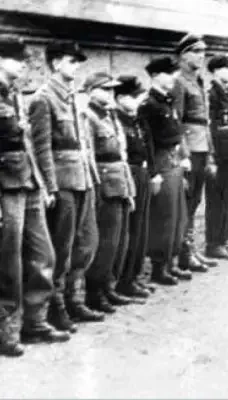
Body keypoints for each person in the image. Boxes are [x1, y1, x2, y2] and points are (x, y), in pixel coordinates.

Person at [0, 35, 69, 357]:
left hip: (27, 183)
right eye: (16, 59)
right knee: (8, 263)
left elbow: (27, 143)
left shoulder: (14, 95)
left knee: (44, 255)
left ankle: (35, 321)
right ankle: (7, 331)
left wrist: (41, 184)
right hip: (5, 187)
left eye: (24, 60)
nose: (23, 66)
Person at [29, 41, 104, 327]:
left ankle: (75, 299)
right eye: (72, 61)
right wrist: (50, 187)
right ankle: (56, 305)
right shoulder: (43, 98)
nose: (76, 67)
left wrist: (92, 178)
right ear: (56, 63)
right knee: (62, 247)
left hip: (82, 179)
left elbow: (84, 143)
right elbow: (42, 148)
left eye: (78, 62)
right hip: (62, 182)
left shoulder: (74, 97)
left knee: (85, 244)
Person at [81, 72, 140, 313]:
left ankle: (108, 286)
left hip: (120, 184)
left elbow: (121, 156)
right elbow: (89, 157)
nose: (110, 93)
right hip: (105, 187)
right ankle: (94, 292)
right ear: (90, 91)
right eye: (104, 89)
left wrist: (129, 190)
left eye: (112, 89)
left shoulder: (111, 116)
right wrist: (95, 190)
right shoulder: (88, 117)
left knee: (118, 242)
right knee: (105, 243)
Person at [138, 56, 192, 285]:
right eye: (168, 73)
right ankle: (159, 267)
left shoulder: (167, 101)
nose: (173, 78)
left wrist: (183, 156)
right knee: (164, 217)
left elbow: (176, 133)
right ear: (155, 76)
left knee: (178, 215)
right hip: (161, 162)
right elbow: (148, 142)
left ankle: (171, 261)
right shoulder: (148, 105)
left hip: (173, 161)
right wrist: (153, 172)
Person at [171, 33, 217, 272]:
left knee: (196, 199)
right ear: (183, 55)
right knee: (187, 202)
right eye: (196, 51)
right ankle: (183, 253)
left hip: (201, 146)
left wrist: (210, 151)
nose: (201, 56)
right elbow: (177, 121)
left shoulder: (198, 81)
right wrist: (184, 154)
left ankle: (191, 250)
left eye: (203, 52)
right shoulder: (179, 82)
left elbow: (205, 121)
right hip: (190, 149)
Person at [114, 75, 155, 298]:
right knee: (129, 230)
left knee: (141, 229)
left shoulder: (137, 120)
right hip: (128, 174)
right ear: (120, 98)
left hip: (142, 173)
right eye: (133, 96)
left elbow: (148, 146)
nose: (137, 100)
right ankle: (124, 279)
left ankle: (134, 276)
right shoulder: (117, 120)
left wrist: (152, 172)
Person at [204, 55, 228, 260]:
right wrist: (212, 157)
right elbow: (209, 127)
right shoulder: (211, 94)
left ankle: (224, 240)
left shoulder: (226, 92)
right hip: (220, 152)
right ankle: (214, 243)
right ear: (218, 70)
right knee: (218, 198)